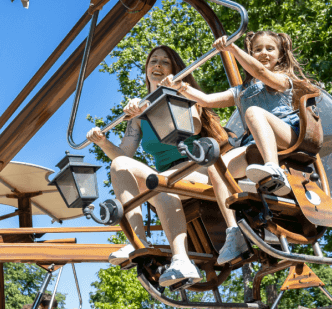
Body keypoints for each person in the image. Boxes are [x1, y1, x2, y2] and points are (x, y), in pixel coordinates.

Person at [87, 45, 231, 286]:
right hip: (165, 177)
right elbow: (123, 155)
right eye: (153, 61)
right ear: (146, 71)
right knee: (121, 166)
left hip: (196, 168)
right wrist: (102, 142)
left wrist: (166, 97)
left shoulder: (185, 96)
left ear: (174, 71)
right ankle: (137, 242)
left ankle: (182, 259)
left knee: (160, 184)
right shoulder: (139, 115)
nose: (158, 65)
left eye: (165, 62)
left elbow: (193, 128)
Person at [165, 31, 312, 263]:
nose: (263, 53)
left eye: (269, 49)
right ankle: (233, 232)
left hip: (286, 136)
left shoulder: (284, 79)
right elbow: (206, 100)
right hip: (256, 145)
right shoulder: (242, 91)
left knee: (254, 112)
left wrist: (232, 50)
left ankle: (274, 170)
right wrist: (181, 88)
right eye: (257, 49)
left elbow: (260, 72)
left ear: (281, 54)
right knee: (216, 167)